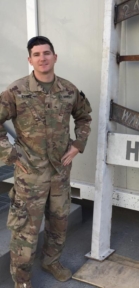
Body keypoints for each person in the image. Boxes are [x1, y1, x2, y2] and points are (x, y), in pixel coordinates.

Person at [0, 36, 92, 288]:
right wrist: (9, 155)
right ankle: (22, 280)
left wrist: (77, 145)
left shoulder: (69, 90)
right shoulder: (16, 91)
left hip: (60, 173)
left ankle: (51, 261)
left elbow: (84, 117)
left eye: (47, 53)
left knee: (59, 221)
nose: (43, 58)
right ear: (30, 59)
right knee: (25, 230)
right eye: (37, 54)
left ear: (55, 56)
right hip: (30, 174)